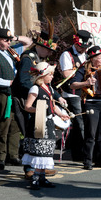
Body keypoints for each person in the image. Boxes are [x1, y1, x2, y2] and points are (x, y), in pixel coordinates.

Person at [12, 29, 66, 179]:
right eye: (48, 50)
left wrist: (57, 96)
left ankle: (40, 166)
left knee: (40, 136)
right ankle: (29, 167)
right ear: (40, 46)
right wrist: (41, 93)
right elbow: (24, 82)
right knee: (31, 134)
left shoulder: (40, 60)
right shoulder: (28, 58)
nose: (49, 54)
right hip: (26, 100)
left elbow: (46, 84)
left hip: (38, 99)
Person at [0, 28, 31, 170]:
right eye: (5, 40)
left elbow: (28, 42)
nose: (9, 42)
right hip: (2, 94)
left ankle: (13, 155)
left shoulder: (9, 53)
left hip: (13, 93)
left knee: (15, 125)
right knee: (2, 125)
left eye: (10, 40)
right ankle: (0, 158)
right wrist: (9, 82)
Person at [22, 62, 69, 190]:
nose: (52, 77)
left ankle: (42, 178)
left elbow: (52, 105)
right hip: (38, 123)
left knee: (46, 151)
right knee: (39, 152)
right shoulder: (35, 88)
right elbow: (27, 106)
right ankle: (35, 179)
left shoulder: (49, 88)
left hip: (48, 122)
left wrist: (61, 115)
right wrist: (39, 109)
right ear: (43, 76)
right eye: (50, 74)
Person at [70, 46, 101, 170]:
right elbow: (72, 84)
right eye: (99, 58)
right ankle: (88, 160)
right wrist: (86, 83)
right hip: (91, 103)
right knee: (91, 133)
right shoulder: (83, 69)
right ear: (92, 59)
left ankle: (100, 159)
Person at [58, 30, 93, 161]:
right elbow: (67, 75)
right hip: (72, 94)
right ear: (76, 43)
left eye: (86, 47)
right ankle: (81, 154)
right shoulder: (67, 55)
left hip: (86, 94)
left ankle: (82, 153)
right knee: (80, 124)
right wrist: (82, 73)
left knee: (85, 123)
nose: (84, 49)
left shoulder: (87, 54)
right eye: (82, 47)